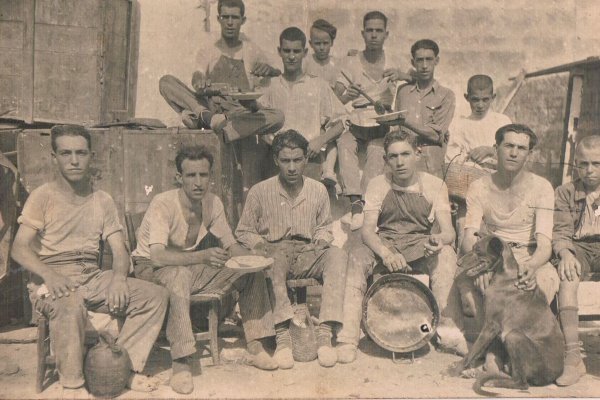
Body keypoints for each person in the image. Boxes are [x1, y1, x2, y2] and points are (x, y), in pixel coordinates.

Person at [11, 125, 169, 393]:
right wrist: (50, 275)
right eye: (66, 153)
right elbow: (19, 249)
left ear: (91, 156)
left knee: (154, 296)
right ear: (54, 157)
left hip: (92, 276)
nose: (74, 160)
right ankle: (73, 385)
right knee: (69, 303)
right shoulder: (43, 197)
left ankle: (120, 369)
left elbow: (120, 249)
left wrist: (119, 278)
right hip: (50, 279)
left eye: (81, 153)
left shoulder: (102, 200)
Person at [131, 145, 278, 394]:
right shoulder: (163, 203)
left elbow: (231, 245)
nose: (198, 182)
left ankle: (255, 345)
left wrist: (256, 256)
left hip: (187, 266)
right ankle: (181, 362)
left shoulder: (212, 203)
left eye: (203, 175)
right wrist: (202, 256)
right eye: (191, 175)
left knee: (249, 273)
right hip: (151, 269)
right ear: (179, 178)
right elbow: (156, 256)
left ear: (210, 176)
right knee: (178, 277)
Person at [336, 130, 467, 363]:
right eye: (393, 156)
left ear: (417, 154)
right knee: (356, 257)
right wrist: (386, 253)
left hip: (419, 242)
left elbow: (449, 231)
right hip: (385, 241)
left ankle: (446, 333)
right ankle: (348, 338)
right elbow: (367, 231)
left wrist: (439, 240)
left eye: (405, 154)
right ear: (386, 160)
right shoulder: (378, 184)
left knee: (446, 256)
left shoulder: (434, 184)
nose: (400, 162)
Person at [235, 130, 348, 369]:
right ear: (276, 160)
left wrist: (320, 240)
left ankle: (325, 335)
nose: (292, 167)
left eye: (297, 160)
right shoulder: (260, 191)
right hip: (276, 252)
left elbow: (325, 226)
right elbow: (243, 231)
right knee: (274, 259)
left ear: (306, 159)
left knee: (337, 255)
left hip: (308, 252)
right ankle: (283, 338)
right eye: (286, 161)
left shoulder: (317, 190)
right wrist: (261, 245)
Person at [460, 123, 560, 373]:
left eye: (521, 148)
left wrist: (532, 266)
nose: (514, 153)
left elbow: (545, 243)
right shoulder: (479, 186)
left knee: (543, 282)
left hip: (529, 255)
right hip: (492, 256)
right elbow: (469, 235)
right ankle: (495, 353)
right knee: (471, 285)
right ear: (496, 148)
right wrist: (482, 266)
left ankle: (508, 352)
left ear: (529, 153)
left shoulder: (542, 187)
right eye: (508, 146)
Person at [159, 0, 284, 141]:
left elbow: (279, 71)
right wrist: (198, 80)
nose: (230, 22)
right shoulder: (208, 49)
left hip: (237, 112)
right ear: (219, 19)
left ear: (243, 20)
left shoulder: (251, 50)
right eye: (225, 17)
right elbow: (198, 72)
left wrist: (270, 69)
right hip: (209, 106)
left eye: (235, 17)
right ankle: (205, 117)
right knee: (166, 82)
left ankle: (222, 130)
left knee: (278, 117)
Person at [334, 11, 412, 230]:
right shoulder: (350, 62)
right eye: (370, 30)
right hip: (357, 118)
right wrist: (348, 95)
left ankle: (366, 205)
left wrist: (403, 76)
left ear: (386, 34)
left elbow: (419, 78)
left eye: (379, 31)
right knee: (344, 143)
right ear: (363, 33)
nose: (374, 35)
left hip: (382, 121)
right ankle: (355, 202)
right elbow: (336, 98)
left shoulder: (395, 60)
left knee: (377, 151)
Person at [258, 27, 346, 182]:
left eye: (296, 51)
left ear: (305, 52)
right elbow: (258, 121)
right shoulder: (270, 85)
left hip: (308, 162)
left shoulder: (318, 85)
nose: (291, 56)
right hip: (277, 163)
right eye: (287, 51)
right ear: (280, 51)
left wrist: (320, 140)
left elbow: (341, 122)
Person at [552, 135, 600, 386]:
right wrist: (565, 253)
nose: (589, 171)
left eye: (597, 164)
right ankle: (573, 356)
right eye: (584, 164)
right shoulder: (565, 192)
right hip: (578, 246)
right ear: (576, 165)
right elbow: (560, 231)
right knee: (567, 275)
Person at [445, 75, 512, 244]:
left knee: (495, 234)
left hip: (497, 186)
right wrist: (467, 156)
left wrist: (490, 150)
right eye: (475, 100)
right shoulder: (459, 124)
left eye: (485, 100)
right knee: (466, 232)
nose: (480, 105)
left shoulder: (502, 121)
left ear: (493, 97)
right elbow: (451, 157)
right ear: (467, 98)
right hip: (467, 187)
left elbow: (512, 150)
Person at [394, 39, 455, 179]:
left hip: (430, 164)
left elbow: (436, 135)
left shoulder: (446, 95)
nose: (424, 65)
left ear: (437, 61)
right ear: (413, 62)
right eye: (420, 60)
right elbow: (395, 129)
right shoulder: (402, 91)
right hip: (403, 162)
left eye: (429, 59)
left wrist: (405, 121)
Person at [305, 19, 344, 188]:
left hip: (329, 110)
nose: (321, 47)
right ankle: (322, 166)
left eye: (325, 43)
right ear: (310, 44)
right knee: (317, 133)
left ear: (332, 43)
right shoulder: (306, 63)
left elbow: (338, 95)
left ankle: (329, 169)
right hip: (311, 109)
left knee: (333, 135)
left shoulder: (336, 65)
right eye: (317, 43)